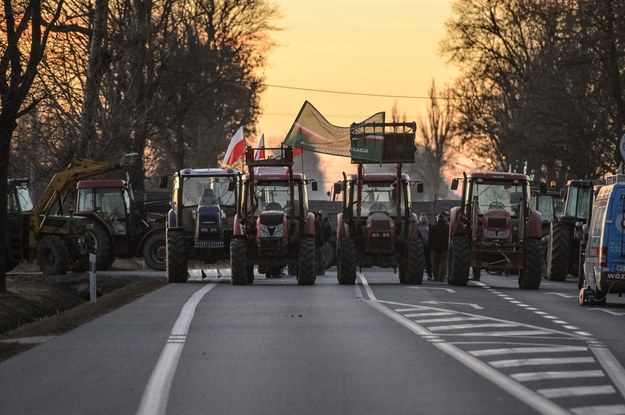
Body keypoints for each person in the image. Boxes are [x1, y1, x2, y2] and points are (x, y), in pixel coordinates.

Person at [428, 212, 449, 282]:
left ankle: (435, 277)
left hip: (434, 248)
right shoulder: (447, 228)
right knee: (443, 264)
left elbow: (430, 238)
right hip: (444, 248)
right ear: (444, 219)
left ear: (438, 219)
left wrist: (429, 247)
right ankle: (442, 277)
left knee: (434, 263)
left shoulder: (433, 227)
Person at [418, 213, 432, 280]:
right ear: (419, 219)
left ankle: (429, 274)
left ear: (426, 219)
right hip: (419, 245)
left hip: (427, 245)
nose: (423, 219)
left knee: (428, 260)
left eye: (424, 218)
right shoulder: (417, 226)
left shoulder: (429, 226)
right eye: (422, 218)